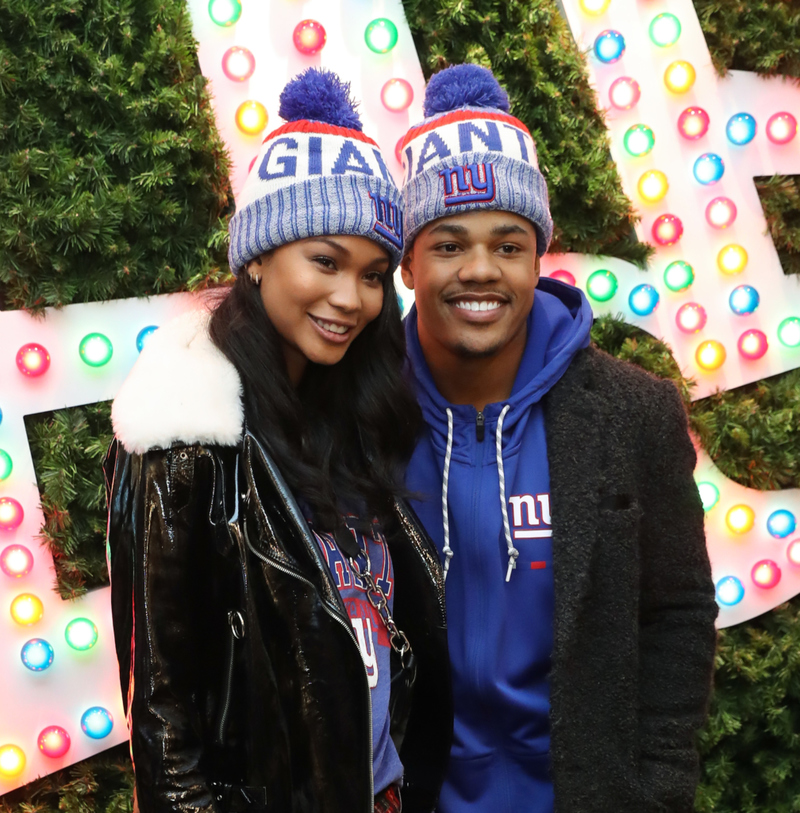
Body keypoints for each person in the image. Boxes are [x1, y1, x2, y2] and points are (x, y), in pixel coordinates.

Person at [103, 68, 451, 813]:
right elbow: (165, 724)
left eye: (373, 273)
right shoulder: (186, 437)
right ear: (258, 256)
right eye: (324, 261)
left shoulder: (345, 417)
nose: (350, 298)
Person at [397, 63, 718, 813]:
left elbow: (677, 611)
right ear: (408, 263)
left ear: (540, 256)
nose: (481, 269)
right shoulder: (357, 415)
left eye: (508, 244)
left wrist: (660, 784)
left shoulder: (634, 412)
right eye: (449, 244)